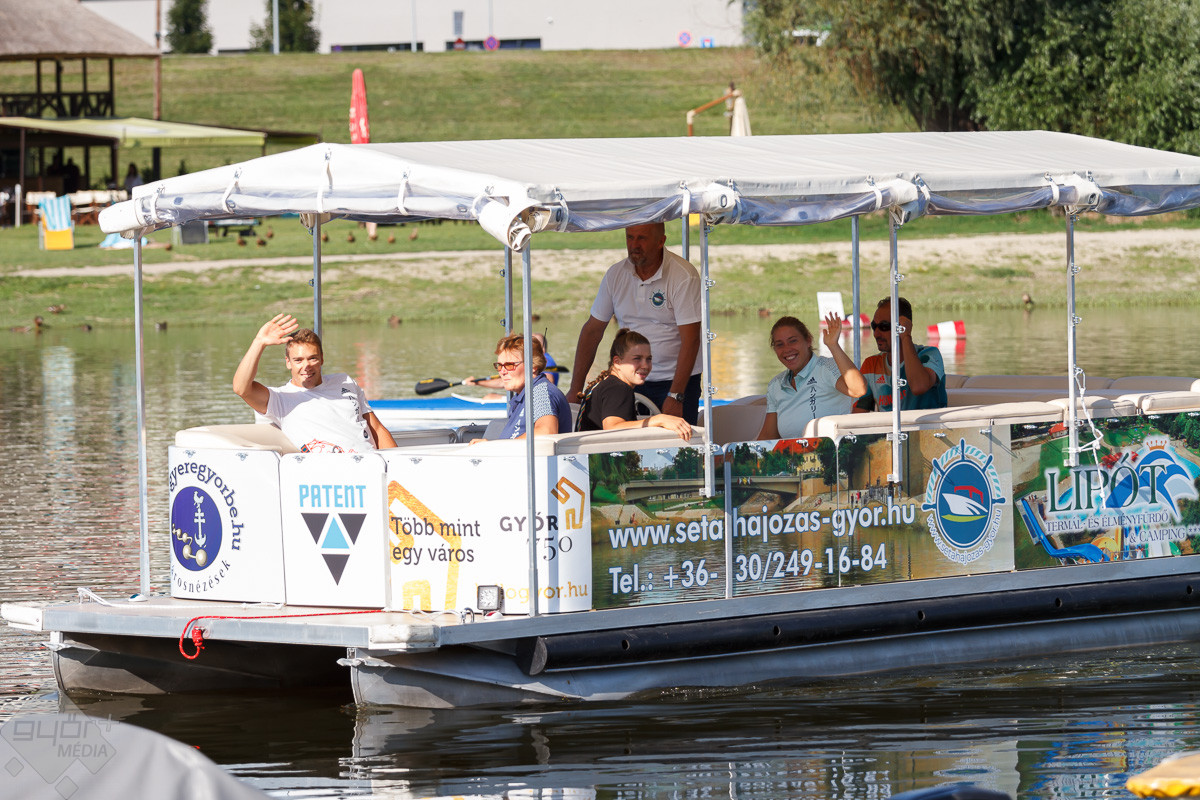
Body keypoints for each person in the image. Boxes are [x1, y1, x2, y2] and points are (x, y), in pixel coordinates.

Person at [568, 223, 702, 424]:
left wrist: (676, 395)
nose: (634, 244)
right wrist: (575, 389)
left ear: (661, 241)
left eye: (642, 238)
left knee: (677, 442)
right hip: (627, 379)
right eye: (630, 237)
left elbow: (691, 340)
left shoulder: (683, 276)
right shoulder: (615, 274)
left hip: (675, 382)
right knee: (622, 439)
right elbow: (592, 331)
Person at [233, 313, 396, 452]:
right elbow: (241, 388)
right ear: (288, 362)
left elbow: (376, 429)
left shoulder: (345, 381)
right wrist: (259, 342)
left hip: (372, 463)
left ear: (322, 359)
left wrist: (397, 465)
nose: (306, 366)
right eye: (298, 360)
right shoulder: (279, 399)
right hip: (333, 473)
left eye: (312, 358)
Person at [757, 313, 868, 440]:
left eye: (793, 341)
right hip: (792, 452)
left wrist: (833, 345)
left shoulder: (826, 367)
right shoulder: (775, 385)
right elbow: (768, 436)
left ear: (808, 340)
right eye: (780, 344)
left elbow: (858, 390)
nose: (787, 349)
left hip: (832, 450)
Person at [576, 328, 692, 440]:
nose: (645, 365)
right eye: (637, 358)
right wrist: (659, 419)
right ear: (617, 362)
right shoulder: (618, 388)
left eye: (648, 359)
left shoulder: (606, 384)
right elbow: (612, 428)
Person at [854, 297, 948, 412]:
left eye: (884, 327)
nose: (876, 334)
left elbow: (918, 386)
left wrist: (906, 336)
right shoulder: (871, 365)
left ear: (902, 326)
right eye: (874, 326)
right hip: (889, 425)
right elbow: (858, 414)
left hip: (927, 424)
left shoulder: (929, 355)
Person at [474, 333, 571, 442]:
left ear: (533, 366)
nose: (502, 372)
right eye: (500, 366)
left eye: (509, 365)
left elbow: (547, 431)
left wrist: (495, 446)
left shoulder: (541, 391)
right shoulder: (524, 394)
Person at [464, 332, 558, 391]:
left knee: (489, 397)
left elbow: (548, 381)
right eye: (499, 366)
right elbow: (505, 381)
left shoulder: (547, 361)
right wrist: (478, 382)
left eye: (532, 343)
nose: (502, 371)